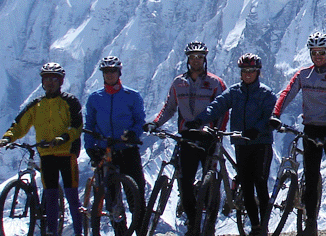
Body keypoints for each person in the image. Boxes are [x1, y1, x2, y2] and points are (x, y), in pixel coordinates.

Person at [271, 31, 326, 236]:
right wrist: (275, 114)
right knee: (310, 177)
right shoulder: (303, 75)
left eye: (321, 52)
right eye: (314, 52)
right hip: (310, 130)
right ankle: (310, 223)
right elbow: (287, 93)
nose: (318, 56)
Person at [144, 41, 227, 236]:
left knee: (211, 183)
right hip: (187, 136)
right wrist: (155, 123)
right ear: (188, 60)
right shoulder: (178, 82)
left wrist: (217, 132)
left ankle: (210, 226)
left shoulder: (215, 83)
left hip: (208, 136)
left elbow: (223, 111)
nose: (196, 60)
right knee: (185, 182)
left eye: (199, 57)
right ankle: (192, 224)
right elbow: (169, 107)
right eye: (193, 57)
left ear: (204, 59)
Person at [191, 53, 277, 236]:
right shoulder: (234, 92)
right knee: (246, 184)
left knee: (260, 183)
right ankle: (255, 227)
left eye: (251, 71)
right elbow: (217, 105)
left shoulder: (266, 93)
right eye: (244, 71)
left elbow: (271, 117)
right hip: (241, 143)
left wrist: (258, 129)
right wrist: (200, 120)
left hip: (261, 144)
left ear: (258, 72)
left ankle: (265, 226)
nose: (247, 74)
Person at [0, 63, 84, 236]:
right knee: (50, 195)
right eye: (46, 79)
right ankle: (51, 232)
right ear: (42, 82)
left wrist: (63, 138)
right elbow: (19, 125)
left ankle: (79, 232)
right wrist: (7, 138)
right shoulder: (36, 105)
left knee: (71, 195)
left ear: (60, 81)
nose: (50, 82)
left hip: (67, 154)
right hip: (46, 155)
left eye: (54, 79)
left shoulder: (70, 101)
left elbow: (77, 126)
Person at [83, 56, 146, 198]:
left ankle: (139, 220)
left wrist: (133, 134)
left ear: (119, 73)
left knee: (136, 195)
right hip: (104, 152)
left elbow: (140, 121)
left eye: (113, 71)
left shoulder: (133, 96)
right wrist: (89, 147)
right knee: (110, 197)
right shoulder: (95, 98)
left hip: (127, 150)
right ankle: (115, 218)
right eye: (106, 71)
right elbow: (89, 125)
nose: (110, 74)